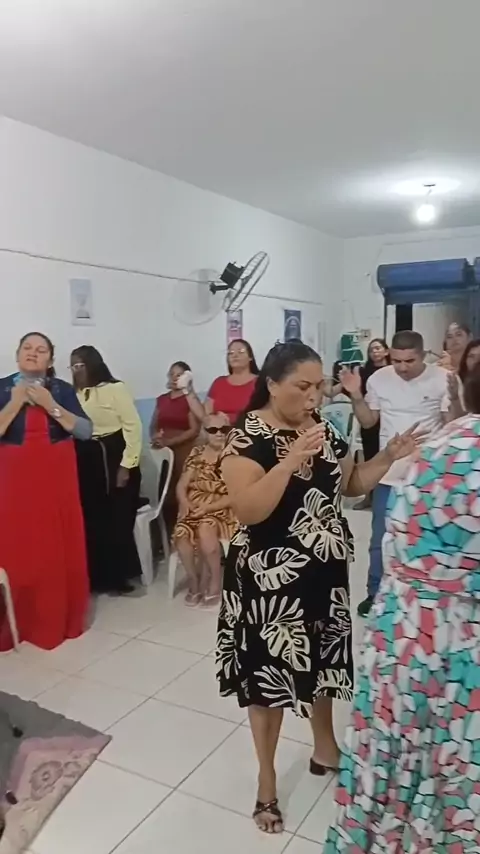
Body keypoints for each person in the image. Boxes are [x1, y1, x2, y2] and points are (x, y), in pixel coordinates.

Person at [215, 341, 420, 834]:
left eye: (319, 386)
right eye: (301, 387)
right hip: (269, 580)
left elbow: (350, 484)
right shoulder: (246, 438)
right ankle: (266, 781)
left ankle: (325, 749)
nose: (313, 397)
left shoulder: (322, 427)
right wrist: (287, 463)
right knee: (268, 683)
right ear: (271, 384)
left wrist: (388, 456)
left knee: (322, 666)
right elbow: (249, 510)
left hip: (323, 574)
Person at [324, 362, 480, 854]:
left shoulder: (436, 447)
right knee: (454, 775)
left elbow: (397, 542)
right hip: (461, 641)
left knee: (386, 765)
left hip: (400, 634)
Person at [341, 330, 450, 617]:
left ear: (423, 355)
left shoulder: (443, 379)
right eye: (397, 360)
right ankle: (375, 594)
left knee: (427, 537)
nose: (402, 367)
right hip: (388, 474)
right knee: (380, 540)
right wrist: (355, 395)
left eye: (409, 361)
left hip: (428, 476)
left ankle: (426, 597)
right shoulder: (379, 379)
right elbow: (368, 421)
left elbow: (452, 425)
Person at [0, 333, 92, 650]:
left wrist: (49, 405)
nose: (33, 353)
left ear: (50, 360)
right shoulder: (2, 388)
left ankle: (55, 619)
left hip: (56, 478)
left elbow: (85, 431)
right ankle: (17, 618)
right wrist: (15, 402)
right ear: (17, 354)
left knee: (54, 542)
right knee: (17, 543)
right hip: (14, 479)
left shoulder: (62, 389)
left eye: (41, 350)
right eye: (27, 348)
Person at [70, 346, 143, 594]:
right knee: (94, 518)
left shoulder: (114, 389)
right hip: (89, 455)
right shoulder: (74, 394)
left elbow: (133, 427)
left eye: (81, 365)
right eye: (73, 366)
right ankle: (97, 576)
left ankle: (119, 576)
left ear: (93, 364)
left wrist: (127, 465)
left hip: (115, 453)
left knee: (117, 518)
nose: (77, 371)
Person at [173, 413, 237, 607]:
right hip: (196, 503)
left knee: (206, 528)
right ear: (205, 432)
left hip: (223, 506)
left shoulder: (235, 454)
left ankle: (214, 583)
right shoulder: (197, 453)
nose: (219, 434)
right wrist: (184, 502)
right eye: (213, 430)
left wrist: (208, 507)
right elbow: (181, 484)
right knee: (181, 533)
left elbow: (237, 493)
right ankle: (194, 582)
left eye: (223, 429)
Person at [150, 361, 201, 533]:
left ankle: (186, 530)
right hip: (162, 450)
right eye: (172, 374)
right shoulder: (162, 399)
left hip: (183, 449)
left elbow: (194, 430)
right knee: (162, 492)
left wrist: (170, 442)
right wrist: (155, 436)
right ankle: (164, 533)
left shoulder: (189, 400)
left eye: (179, 375)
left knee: (183, 490)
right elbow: (154, 424)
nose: (174, 378)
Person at [348, 338, 390, 509]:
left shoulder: (393, 371)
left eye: (378, 348)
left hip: (387, 419)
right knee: (370, 457)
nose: (375, 352)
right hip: (369, 417)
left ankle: (384, 497)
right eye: (372, 349)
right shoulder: (364, 372)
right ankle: (368, 497)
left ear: (386, 351)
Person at [186, 340, 260, 425]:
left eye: (241, 352)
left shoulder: (259, 382)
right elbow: (206, 415)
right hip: (219, 430)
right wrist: (188, 390)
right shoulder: (219, 383)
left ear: (250, 357)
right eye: (231, 353)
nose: (235, 355)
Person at [447, 337, 480, 420]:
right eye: (471, 356)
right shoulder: (455, 382)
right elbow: (461, 420)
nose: (476, 361)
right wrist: (455, 397)